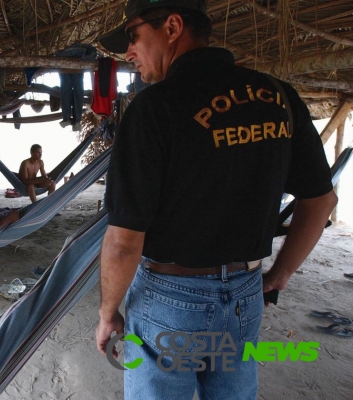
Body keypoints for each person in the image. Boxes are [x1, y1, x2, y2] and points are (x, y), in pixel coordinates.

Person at [95, 1, 338, 399]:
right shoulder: (278, 96)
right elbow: (321, 200)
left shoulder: (154, 107)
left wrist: (107, 314)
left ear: (172, 26)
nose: (129, 53)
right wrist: (278, 276)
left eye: (133, 36)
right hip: (245, 294)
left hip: (170, 299)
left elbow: (124, 241)